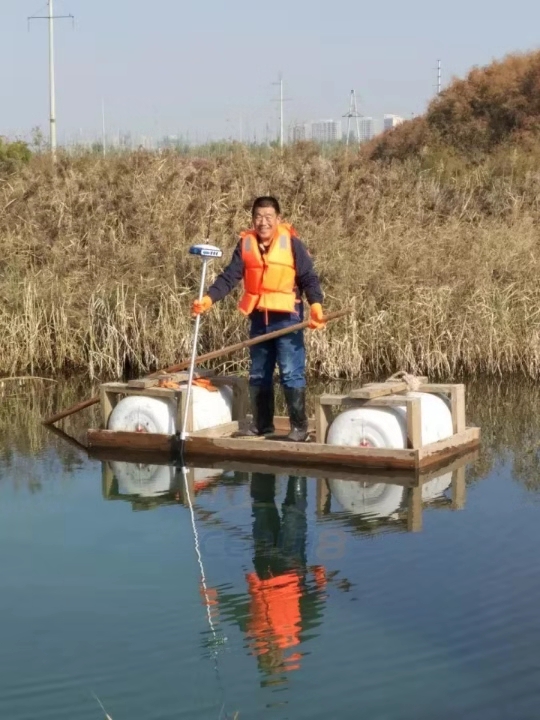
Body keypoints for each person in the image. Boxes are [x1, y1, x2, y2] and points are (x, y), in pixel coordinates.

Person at [191, 196, 325, 441]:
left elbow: (309, 278)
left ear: (278, 219)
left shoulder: (292, 244)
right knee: (259, 372)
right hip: (258, 318)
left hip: (288, 318)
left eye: (268, 217)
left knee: (290, 372)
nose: (263, 222)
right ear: (253, 220)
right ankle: (263, 425)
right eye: (258, 217)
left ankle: (299, 427)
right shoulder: (245, 245)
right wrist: (209, 299)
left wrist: (316, 305)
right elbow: (229, 277)